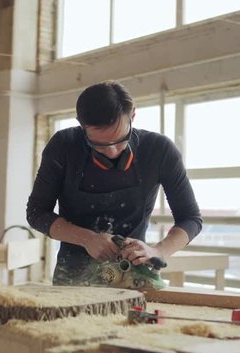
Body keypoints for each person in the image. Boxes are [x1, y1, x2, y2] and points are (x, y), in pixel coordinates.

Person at [26, 80, 202, 286]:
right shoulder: (64, 146)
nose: (111, 151)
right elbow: (36, 212)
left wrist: (157, 251)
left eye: (120, 140)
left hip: (133, 273)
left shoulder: (158, 150)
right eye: (98, 145)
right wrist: (87, 238)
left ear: (133, 115)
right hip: (73, 276)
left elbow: (190, 219)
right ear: (82, 126)